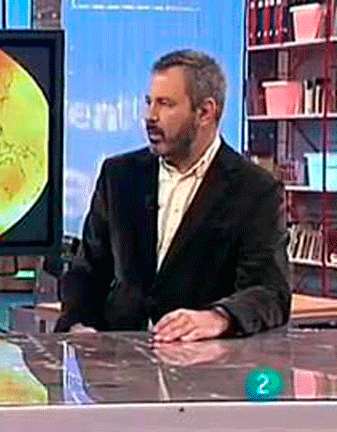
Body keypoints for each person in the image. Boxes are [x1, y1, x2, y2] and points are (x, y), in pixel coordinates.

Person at [54, 49, 290, 342]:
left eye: (165, 104)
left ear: (205, 112)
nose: (150, 116)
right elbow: (88, 271)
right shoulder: (119, 176)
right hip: (118, 360)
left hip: (201, 361)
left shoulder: (254, 190)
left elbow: (270, 292)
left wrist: (218, 317)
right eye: (149, 102)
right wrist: (78, 325)